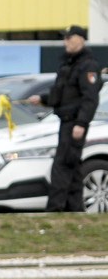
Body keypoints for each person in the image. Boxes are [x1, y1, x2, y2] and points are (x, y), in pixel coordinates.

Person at [34, 26, 99, 212]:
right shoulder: (68, 64)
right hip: (66, 121)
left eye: (70, 38)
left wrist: (81, 123)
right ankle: (75, 209)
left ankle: (55, 209)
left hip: (75, 123)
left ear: (81, 39)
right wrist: (43, 99)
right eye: (65, 38)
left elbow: (90, 99)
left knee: (62, 165)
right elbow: (63, 94)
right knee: (72, 166)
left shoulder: (88, 65)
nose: (66, 42)